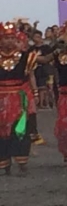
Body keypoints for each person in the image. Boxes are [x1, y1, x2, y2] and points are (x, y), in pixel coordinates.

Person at [0, 22, 39, 175]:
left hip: (19, 99)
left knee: (20, 130)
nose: (8, 41)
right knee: (2, 132)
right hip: (1, 99)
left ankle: (22, 163)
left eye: (11, 38)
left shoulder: (25, 57)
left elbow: (31, 76)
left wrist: (34, 94)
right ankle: (5, 164)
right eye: (5, 38)